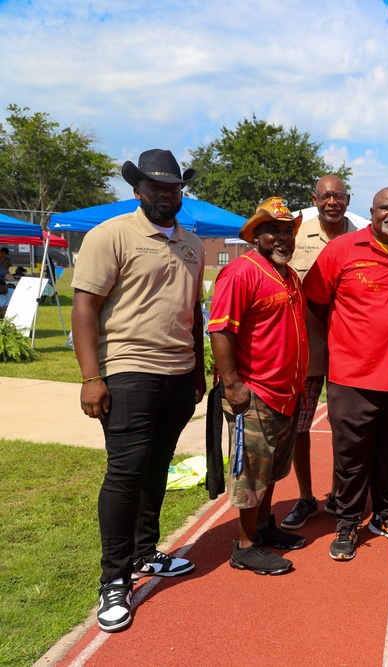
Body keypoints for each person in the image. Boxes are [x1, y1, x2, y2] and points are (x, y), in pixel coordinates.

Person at [71, 149, 205, 633]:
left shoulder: (192, 244)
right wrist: (91, 376)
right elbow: (85, 307)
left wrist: (197, 370)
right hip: (128, 370)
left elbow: (194, 312)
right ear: (137, 190)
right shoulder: (111, 235)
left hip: (177, 373)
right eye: (156, 187)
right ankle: (114, 580)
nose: (165, 194)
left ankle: (147, 552)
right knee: (125, 473)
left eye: (172, 188)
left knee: (156, 469)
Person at [303, 187, 388, 561]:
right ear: (372, 212)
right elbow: (316, 299)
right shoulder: (341, 250)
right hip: (353, 375)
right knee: (351, 455)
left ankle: (385, 515)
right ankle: (346, 522)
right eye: (386, 208)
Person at [209, 197, 309, 575]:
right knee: (250, 471)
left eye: (288, 230)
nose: (282, 237)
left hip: (286, 392)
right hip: (255, 392)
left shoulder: (288, 274)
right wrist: (233, 385)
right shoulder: (240, 272)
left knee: (269, 470)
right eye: (273, 230)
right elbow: (220, 330)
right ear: (256, 234)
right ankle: (246, 545)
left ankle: (265, 529)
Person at [280, 174, 359, 530]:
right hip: (307, 351)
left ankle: (341, 496)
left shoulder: (361, 238)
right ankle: (307, 497)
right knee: (300, 427)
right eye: (325, 196)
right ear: (314, 199)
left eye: (338, 196)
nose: (332, 202)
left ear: (347, 199)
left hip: (351, 353)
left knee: (348, 428)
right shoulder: (296, 235)